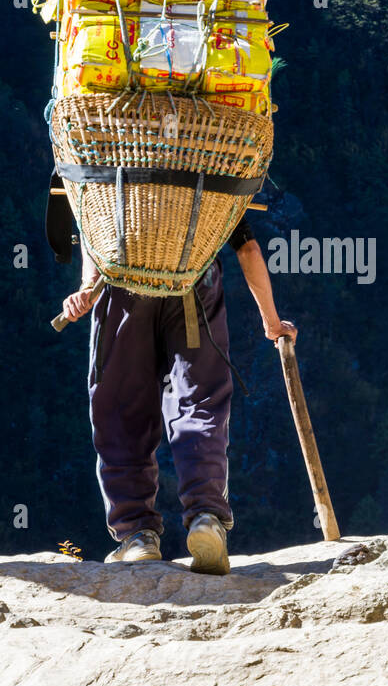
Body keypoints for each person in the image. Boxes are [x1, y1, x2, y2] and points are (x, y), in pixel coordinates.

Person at [60, 215, 296, 574]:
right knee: (200, 402)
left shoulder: (117, 164)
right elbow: (247, 248)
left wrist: (87, 285)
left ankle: (138, 535)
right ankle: (206, 518)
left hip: (123, 283)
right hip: (194, 281)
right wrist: (271, 322)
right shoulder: (208, 165)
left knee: (122, 410)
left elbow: (94, 225)